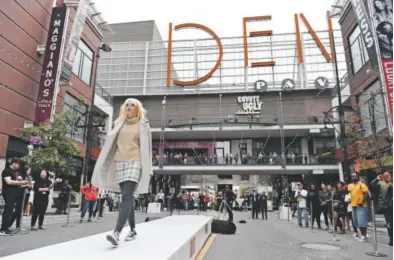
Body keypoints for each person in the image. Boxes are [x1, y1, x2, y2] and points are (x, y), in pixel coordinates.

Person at [91, 98, 153, 247]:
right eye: (127, 105)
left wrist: (148, 167)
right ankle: (132, 230)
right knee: (127, 197)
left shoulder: (143, 125)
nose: (130, 107)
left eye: (133, 105)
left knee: (126, 196)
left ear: (138, 108)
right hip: (119, 162)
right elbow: (111, 145)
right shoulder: (119, 123)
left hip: (136, 161)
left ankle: (116, 233)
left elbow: (148, 148)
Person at [0, 158, 30, 235]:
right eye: (18, 164)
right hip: (8, 192)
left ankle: (6, 227)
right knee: (8, 210)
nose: (19, 166)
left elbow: (17, 183)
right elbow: (9, 182)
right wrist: (22, 182)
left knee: (10, 211)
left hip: (15, 193)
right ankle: (3, 229)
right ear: (14, 163)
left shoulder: (16, 172)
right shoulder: (7, 171)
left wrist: (23, 183)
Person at [8, 166, 33, 232]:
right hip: (20, 195)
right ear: (25, 170)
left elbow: (31, 187)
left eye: (30, 170)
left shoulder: (29, 177)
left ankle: (17, 226)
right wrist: (26, 185)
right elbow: (19, 185)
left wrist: (30, 184)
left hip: (26, 195)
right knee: (18, 211)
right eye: (28, 170)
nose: (29, 172)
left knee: (21, 211)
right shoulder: (20, 176)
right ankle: (14, 225)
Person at [371, 171, 393, 246]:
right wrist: (376, 179)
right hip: (386, 207)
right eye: (387, 175)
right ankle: (391, 239)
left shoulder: (392, 184)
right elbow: (373, 186)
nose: (388, 177)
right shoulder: (381, 183)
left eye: (389, 175)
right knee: (389, 223)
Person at [348, 172, 369, 242]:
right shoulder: (350, 186)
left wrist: (362, 201)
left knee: (362, 222)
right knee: (356, 222)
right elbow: (351, 194)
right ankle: (362, 235)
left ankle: (364, 235)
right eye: (352, 176)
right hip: (353, 206)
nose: (354, 177)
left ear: (358, 177)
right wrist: (349, 199)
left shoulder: (362, 185)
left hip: (361, 206)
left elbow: (366, 194)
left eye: (355, 176)